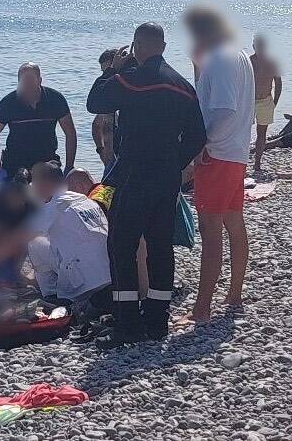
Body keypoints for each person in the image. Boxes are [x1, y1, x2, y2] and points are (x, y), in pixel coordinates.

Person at [86, 23, 207, 346]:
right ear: (164, 47)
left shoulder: (131, 80)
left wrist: (113, 69)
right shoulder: (181, 86)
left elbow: (95, 101)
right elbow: (198, 135)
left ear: (137, 46)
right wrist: (174, 162)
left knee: (122, 245)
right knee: (159, 247)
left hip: (134, 173)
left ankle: (127, 323)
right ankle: (156, 320)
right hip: (166, 176)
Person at [182, 5, 254, 325]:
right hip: (235, 152)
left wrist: (201, 145)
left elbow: (222, 110)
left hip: (217, 155)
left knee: (211, 232)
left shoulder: (221, 59)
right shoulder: (237, 56)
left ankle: (201, 310)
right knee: (233, 223)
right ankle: (234, 294)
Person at [27, 161, 111, 313]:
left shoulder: (53, 205)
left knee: (34, 242)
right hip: (109, 275)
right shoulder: (83, 199)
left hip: (84, 286)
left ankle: (50, 293)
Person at [0, 63, 77, 181]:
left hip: (47, 161)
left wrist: (69, 166)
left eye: (31, 81)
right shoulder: (8, 103)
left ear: (40, 80)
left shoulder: (55, 99)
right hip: (15, 163)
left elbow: (70, 133)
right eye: (23, 82)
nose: (27, 86)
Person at [250, 34, 282, 173]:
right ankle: (242, 161)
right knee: (244, 133)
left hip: (266, 100)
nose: (259, 48)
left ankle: (257, 162)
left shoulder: (271, 62)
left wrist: (275, 100)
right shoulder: (249, 61)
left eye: (261, 45)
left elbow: (278, 82)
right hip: (249, 101)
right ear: (254, 46)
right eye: (257, 45)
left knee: (261, 133)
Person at [92, 49, 119, 171]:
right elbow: (96, 126)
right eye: (104, 72)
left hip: (127, 162)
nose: (106, 77)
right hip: (109, 163)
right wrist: (100, 150)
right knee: (101, 191)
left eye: (109, 71)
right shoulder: (107, 102)